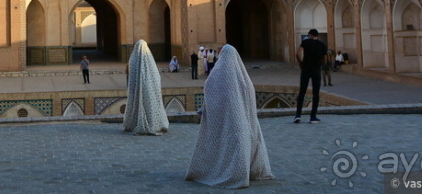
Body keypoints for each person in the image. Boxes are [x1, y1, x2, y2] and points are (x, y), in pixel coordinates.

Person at [185, 44, 274, 188]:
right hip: (244, 124)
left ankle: (232, 172)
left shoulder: (217, 76)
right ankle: (244, 171)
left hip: (224, 123)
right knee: (241, 146)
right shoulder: (245, 80)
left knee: (226, 149)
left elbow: (209, 91)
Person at [123, 39, 169, 135]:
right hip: (149, 91)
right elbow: (156, 77)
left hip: (135, 92)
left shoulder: (132, 59)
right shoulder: (149, 60)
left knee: (136, 106)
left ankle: (134, 124)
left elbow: (130, 77)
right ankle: (153, 123)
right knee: (150, 106)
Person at [294, 29, 327, 124]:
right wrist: (319, 65)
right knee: (316, 94)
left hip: (306, 69)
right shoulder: (322, 45)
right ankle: (313, 117)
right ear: (317, 35)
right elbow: (324, 59)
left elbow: (297, 53)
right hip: (316, 70)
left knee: (302, 92)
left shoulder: (305, 42)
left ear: (310, 35)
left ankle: (298, 115)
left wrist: (301, 63)